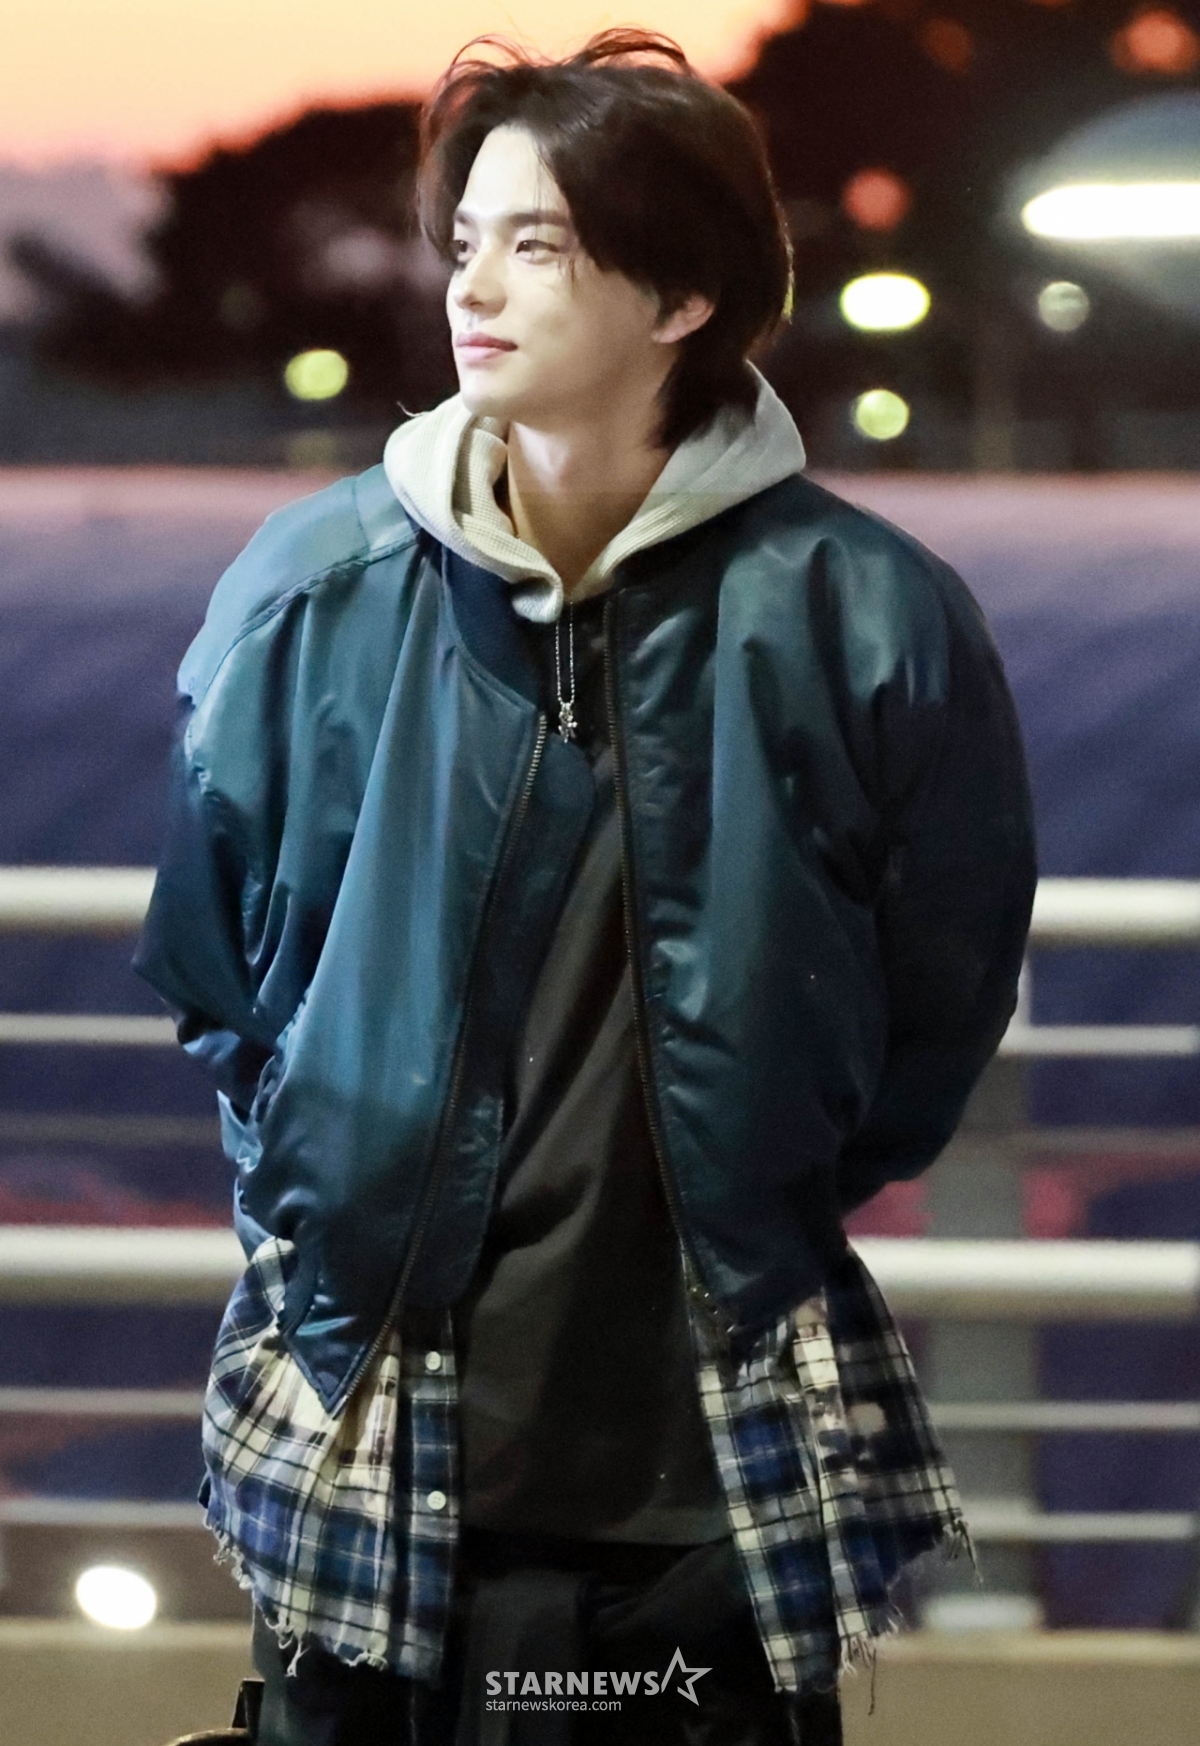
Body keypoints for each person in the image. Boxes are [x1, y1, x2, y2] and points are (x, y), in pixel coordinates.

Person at [137, 29, 1036, 1746]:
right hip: (370, 1396)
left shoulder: (863, 612)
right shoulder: (313, 588)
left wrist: (759, 1176)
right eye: (465, 239)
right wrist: (333, 1183)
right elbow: (217, 968)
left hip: (712, 1424)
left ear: (684, 294)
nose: (472, 287)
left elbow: (940, 996)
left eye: (537, 245)